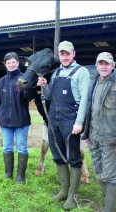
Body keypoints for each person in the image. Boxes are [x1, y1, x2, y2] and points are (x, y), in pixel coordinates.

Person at [37, 41, 90, 210]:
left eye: (67, 54)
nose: (65, 57)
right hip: (54, 118)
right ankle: (63, 191)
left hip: (70, 119)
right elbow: (50, 96)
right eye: (62, 54)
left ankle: (73, 197)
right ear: (59, 56)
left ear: (73, 54)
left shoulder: (82, 72)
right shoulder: (57, 72)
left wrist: (79, 122)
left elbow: (84, 101)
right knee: (57, 155)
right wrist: (44, 87)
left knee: (74, 158)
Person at [81, 52, 116, 212]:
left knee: (111, 176)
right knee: (99, 171)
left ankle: (109, 209)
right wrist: (88, 134)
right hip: (95, 137)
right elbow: (90, 111)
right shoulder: (93, 83)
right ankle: (107, 203)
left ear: (113, 65)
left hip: (112, 139)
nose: (103, 67)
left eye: (107, 64)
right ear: (97, 65)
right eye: (100, 63)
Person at [0, 52, 34, 184]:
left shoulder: (23, 78)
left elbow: (29, 98)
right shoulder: (1, 81)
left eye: (13, 62)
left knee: (22, 147)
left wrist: (26, 88)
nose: (11, 65)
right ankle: (8, 173)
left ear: (18, 63)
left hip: (21, 120)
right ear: (5, 64)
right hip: (4, 121)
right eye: (8, 62)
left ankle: (20, 176)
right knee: (7, 148)